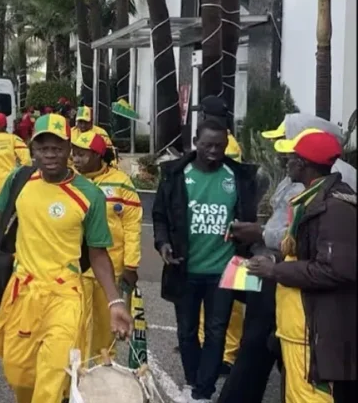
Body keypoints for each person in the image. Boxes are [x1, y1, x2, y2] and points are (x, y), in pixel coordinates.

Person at [0, 113, 132, 403]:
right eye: (43, 148)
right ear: (32, 149)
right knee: (19, 375)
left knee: (52, 376)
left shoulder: (89, 194)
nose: (50, 155)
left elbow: (98, 253)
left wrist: (115, 301)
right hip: (23, 291)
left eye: (57, 148)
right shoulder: (19, 179)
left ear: (69, 149)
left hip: (65, 295)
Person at [216, 113, 357, 403]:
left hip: (309, 316)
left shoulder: (333, 204)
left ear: (304, 161)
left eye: (289, 153)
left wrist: (274, 268)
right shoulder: (312, 192)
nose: (283, 158)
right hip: (294, 312)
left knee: (300, 380)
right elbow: (297, 241)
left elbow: (332, 267)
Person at [152, 117, 258, 402]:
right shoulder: (176, 174)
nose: (214, 150)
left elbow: (250, 218)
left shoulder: (237, 176)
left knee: (216, 331)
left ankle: (203, 391)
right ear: (195, 142)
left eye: (220, 146)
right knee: (186, 333)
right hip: (185, 268)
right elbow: (160, 216)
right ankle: (191, 381)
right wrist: (162, 244)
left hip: (223, 270)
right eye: (208, 144)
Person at [70, 132, 142, 359]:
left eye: (82, 154)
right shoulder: (68, 179)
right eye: (75, 154)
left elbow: (132, 225)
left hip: (108, 269)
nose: (76, 158)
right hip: (74, 268)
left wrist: (131, 264)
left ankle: (104, 374)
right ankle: (73, 378)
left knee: (105, 331)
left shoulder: (121, 182)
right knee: (73, 327)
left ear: (98, 155)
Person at [192, 95, 246, 375]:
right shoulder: (220, 141)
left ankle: (227, 353)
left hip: (223, 237)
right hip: (208, 237)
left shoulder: (229, 147)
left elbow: (227, 187)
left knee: (229, 307)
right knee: (210, 307)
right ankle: (208, 346)